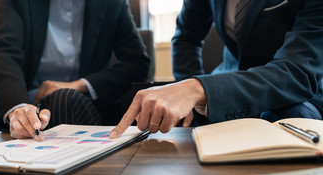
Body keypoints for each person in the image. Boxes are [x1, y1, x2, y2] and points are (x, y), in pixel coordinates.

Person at [109, 0, 323, 139]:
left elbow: (298, 71)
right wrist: (188, 90)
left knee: (293, 121)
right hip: (224, 89)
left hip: (299, 92)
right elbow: (186, 37)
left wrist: (196, 89)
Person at [0, 0, 150, 140]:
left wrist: (80, 85)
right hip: (27, 100)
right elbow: (2, 54)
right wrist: (16, 108)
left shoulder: (112, 3)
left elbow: (137, 63)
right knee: (61, 103)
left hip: (86, 104)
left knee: (66, 100)